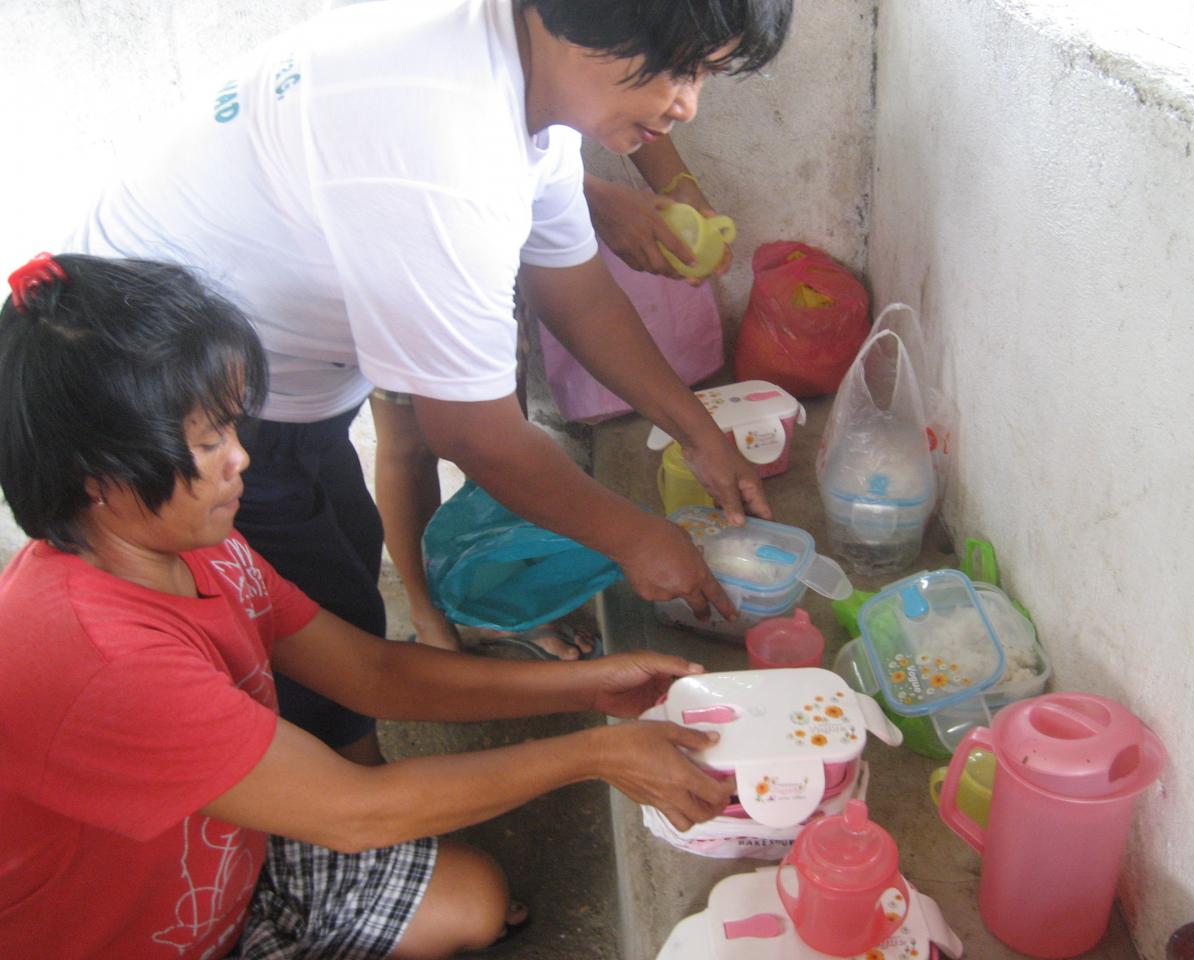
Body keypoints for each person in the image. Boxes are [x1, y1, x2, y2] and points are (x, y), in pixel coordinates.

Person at [68, 0, 794, 762]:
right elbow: (473, 435)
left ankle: (339, 782)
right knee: (311, 633)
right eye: (676, 69)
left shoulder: (516, 78)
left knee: (337, 575)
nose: (686, 105)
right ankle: (345, 813)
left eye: (703, 75)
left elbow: (576, 291)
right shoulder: (444, 143)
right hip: (159, 393)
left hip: (235, 367)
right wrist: (638, 539)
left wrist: (699, 432)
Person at [0, 253, 733, 960]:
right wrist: (595, 754)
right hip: (129, 935)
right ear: (102, 479)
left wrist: (586, 685)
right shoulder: (101, 657)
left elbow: (372, 672)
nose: (241, 458)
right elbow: (353, 812)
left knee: (472, 898)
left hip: (228, 858)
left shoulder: (194, 542)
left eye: (230, 427)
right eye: (208, 440)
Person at [372, 133, 735, 658]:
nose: (684, 108)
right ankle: (429, 615)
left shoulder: (556, 125)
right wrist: (594, 196)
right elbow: (468, 437)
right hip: (407, 246)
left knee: (505, 419)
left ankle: (506, 591)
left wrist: (675, 184)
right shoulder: (456, 82)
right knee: (412, 442)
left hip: (493, 233)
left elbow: (580, 301)